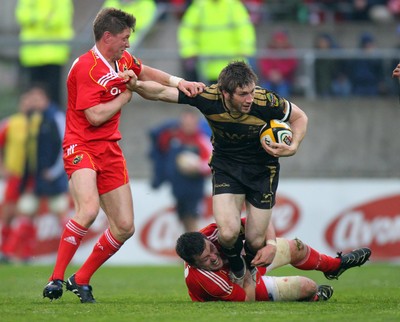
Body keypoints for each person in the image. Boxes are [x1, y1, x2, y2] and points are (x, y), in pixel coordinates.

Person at [42, 7, 204, 303]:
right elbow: (93, 115)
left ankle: (81, 278)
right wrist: (127, 94)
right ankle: (55, 278)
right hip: (81, 146)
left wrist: (179, 82)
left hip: (110, 149)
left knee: (125, 227)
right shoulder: (86, 67)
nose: (128, 43)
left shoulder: (122, 60)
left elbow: (147, 71)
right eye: (125, 37)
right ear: (108, 37)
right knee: (88, 210)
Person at [128, 61, 308, 293]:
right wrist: (135, 85)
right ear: (225, 93)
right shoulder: (208, 97)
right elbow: (162, 92)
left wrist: (293, 146)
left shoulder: (266, 101)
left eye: (252, 91)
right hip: (227, 166)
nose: (250, 98)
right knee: (228, 232)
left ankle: (248, 264)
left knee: (255, 240)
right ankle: (236, 265)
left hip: (262, 170)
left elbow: (300, 117)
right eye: (243, 94)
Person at [175, 218, 372, 302]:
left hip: (245, 263)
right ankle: (313, 297)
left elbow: (261, 222)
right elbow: (246, 300)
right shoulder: (205, 280)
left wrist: (271, 245)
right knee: (307, 286)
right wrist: (248, 273)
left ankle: (335, 266)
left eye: (211, 249)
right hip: (240, 285)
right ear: (194, 264)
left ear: (207, 240)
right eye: (206, 260)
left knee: (296, 246)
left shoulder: (212, 233)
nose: (214, 257)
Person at [1, 85, 69, 263]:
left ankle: (67, 252)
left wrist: (55, 171)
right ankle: (13, 253)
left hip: (47, 178)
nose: (32, 103)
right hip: (25, 177)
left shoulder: (52, 117)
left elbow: (64, 144)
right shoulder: (16, 122)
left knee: (55, 211)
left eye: (36, 99)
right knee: (19, 213)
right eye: (29, 99)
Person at [148, 110, 212, 232]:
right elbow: (158, 149)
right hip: (178, 188)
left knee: (193, 219)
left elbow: (211, 163)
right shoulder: (174, 137)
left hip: (194, 190)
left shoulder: (201, 140)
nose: (187, 126)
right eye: (185, 123)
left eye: (190, 123)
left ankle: (199, 248)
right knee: (183, 219)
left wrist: (197, 167)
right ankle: (191, 248)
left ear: (196, 124)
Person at [177, 0, 256, 84]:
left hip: (233, 66)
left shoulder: (233, 5)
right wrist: (190, 50)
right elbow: (187, 30)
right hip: (206, 65)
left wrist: (245, 48)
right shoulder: (199, 6)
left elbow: (245, 29)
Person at [15, 0, 74, 105]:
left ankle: (52, 120)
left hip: (54, 55)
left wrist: (35, 20)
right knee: (31, 97)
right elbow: (22, 16)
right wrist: (46, 19)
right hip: (32, 56)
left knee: (53, 96)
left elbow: (61, 18)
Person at [0, 92, 36, 262]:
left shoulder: (40, 123)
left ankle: (22, 253)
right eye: (25, 102)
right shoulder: (11, 123)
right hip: (15, 175)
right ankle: (5, 251)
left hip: (32, 177)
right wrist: (2, 167)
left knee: (27, 214)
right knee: (8, 215)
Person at [258, 30, 299, 97]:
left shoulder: (290, 50)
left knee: (283, 92)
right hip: (269, 79)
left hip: (285, 79)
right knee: (264, 91)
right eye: (277, 41)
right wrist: (271, 73)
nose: (279, 43)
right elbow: (264, 65)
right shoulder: (268, 50)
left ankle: (283, 107)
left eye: (281, 41)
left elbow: (291, 65)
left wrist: (280, 74)